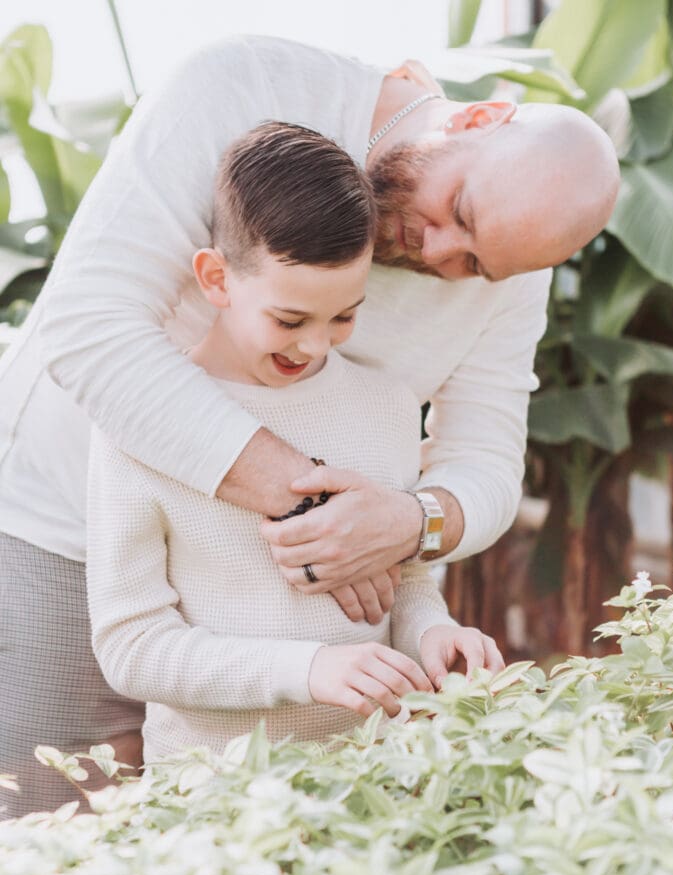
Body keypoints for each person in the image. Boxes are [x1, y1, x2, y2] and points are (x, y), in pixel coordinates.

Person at [0, 36, 620, 818]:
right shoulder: (241, 85)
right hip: (69, 539)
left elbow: (484, 460)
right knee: (48, 838)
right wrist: (318, 517)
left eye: (474, 265)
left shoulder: (510, 261)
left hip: (296, 647)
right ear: (480, 118)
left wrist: (410, 524)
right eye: (455, 212)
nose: (436, 252)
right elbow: (93, 330)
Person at [87, 122, 504, 762]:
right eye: (289, 320)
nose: (314, 346)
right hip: (211, 807)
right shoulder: (140, 425)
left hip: (369, 787)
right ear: (217, 279)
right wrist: (308, 669)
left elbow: (407, 583)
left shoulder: (388, 407)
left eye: (344, 315)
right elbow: (133, 648)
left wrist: (434, 634)